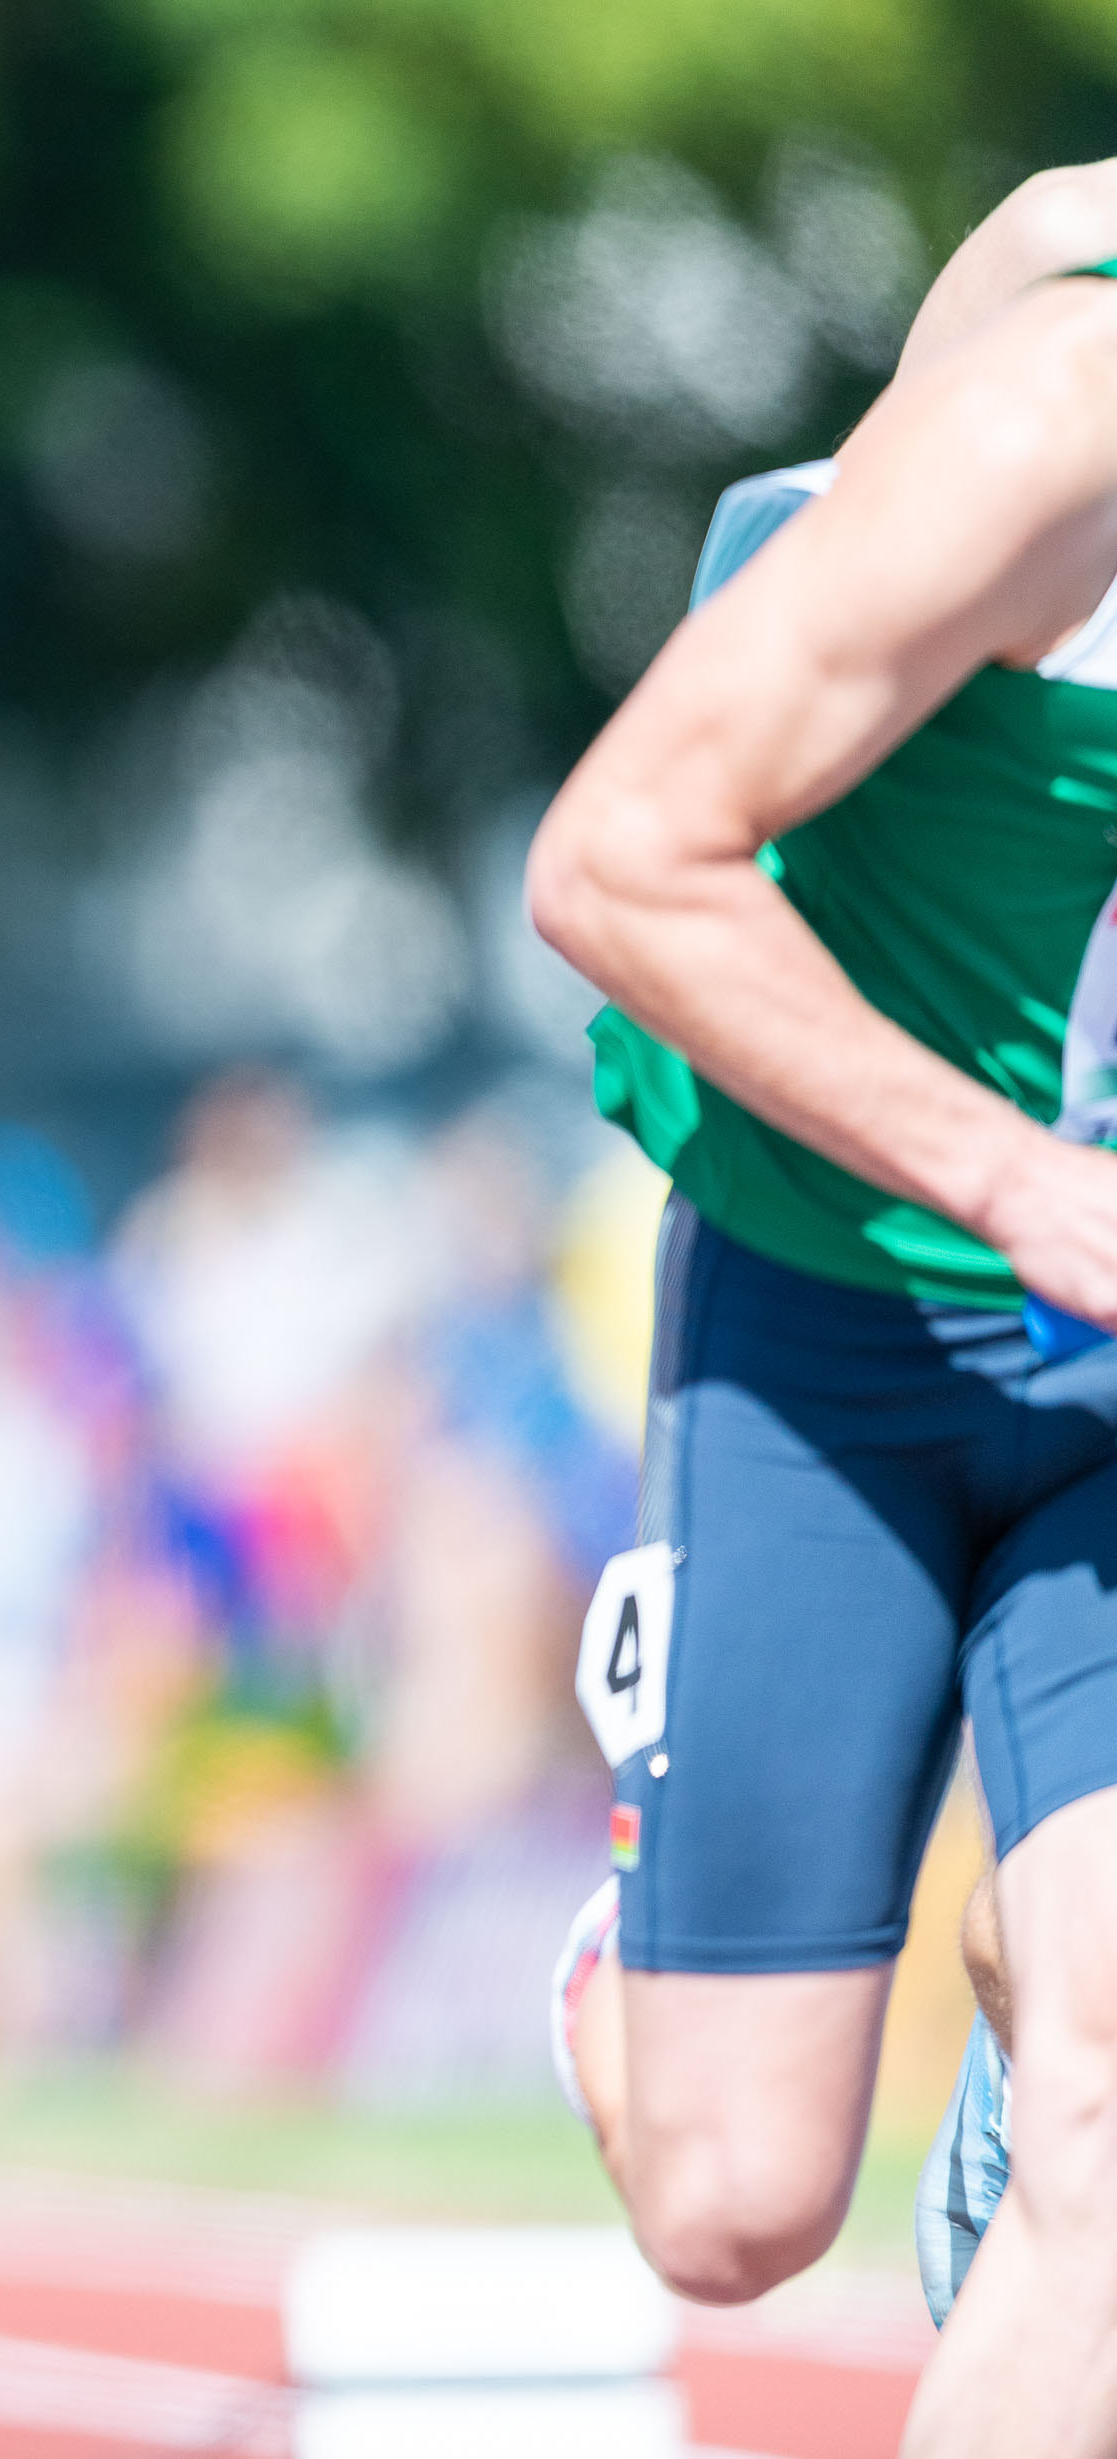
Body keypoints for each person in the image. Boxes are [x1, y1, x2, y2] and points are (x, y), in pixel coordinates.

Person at [528, 147, 1117, 2448]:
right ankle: (651, 1918)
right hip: (837, 1297)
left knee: (1109, 2105)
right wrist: (1016, 1181)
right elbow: (613, 860)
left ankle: (1041, 1980)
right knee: (731, 2200)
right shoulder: (1054, 392)